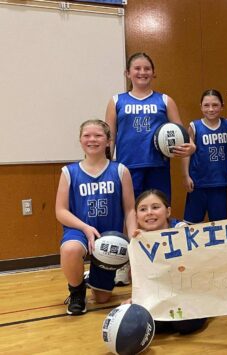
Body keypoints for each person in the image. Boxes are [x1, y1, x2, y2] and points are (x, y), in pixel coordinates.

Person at [55, 119, 136, 315]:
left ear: (108, 141)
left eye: (98, 135)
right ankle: (76, 292)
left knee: (102, 298)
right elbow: (61, 211)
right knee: (70, 249)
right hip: (80, 231)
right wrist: (85, 228)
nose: (92, 139)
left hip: (109, 237)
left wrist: (134, 238)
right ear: (80, 140)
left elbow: (130, 209)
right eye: (87, 136)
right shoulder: (69, 172)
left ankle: (89, 276)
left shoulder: (120, 170)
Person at [105, 52, 195, 201]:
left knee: (159, 212)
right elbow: (110, 138)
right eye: (137, 68)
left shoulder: (165, 100)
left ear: (154, 73)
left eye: (147, 69)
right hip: (127, 167)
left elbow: (181, 132)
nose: (142, 72)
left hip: (158, 166)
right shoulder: (116, 101)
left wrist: (191, 147)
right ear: (127, 73)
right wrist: (106, 167)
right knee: (131, 214)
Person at [124, 189, 207, 335]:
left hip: (190, 293)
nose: (149, 212)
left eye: (155, 207)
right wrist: (136, 299)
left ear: (168, 212)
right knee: (141, 321)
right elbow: (143, 280)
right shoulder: (137, 241)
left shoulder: (182, 230)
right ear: (136, 217)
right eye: (143, 209)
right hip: (161, 297)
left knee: (184, 325)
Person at [183, 89, 227, 223]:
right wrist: (186, 176)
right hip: (198, 183)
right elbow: (185, 154)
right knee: (192, 224)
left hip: (219, 182)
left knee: (219, 224)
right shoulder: (194, 126)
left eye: (215, 105)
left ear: (222, 106)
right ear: (201, 106)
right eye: (206, 105)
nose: (211, 109)